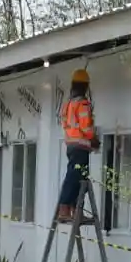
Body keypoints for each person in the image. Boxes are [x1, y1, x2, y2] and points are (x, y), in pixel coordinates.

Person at [57, 69, 99, 224]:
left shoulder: (68, 104)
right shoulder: (83, 104)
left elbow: (66, 125)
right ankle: (66, 209)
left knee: (78, 178)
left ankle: (75, 211)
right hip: (81, 146)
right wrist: (93, 140)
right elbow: (86, 127)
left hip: (71, 145)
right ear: (85, 86)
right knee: (76, 177)